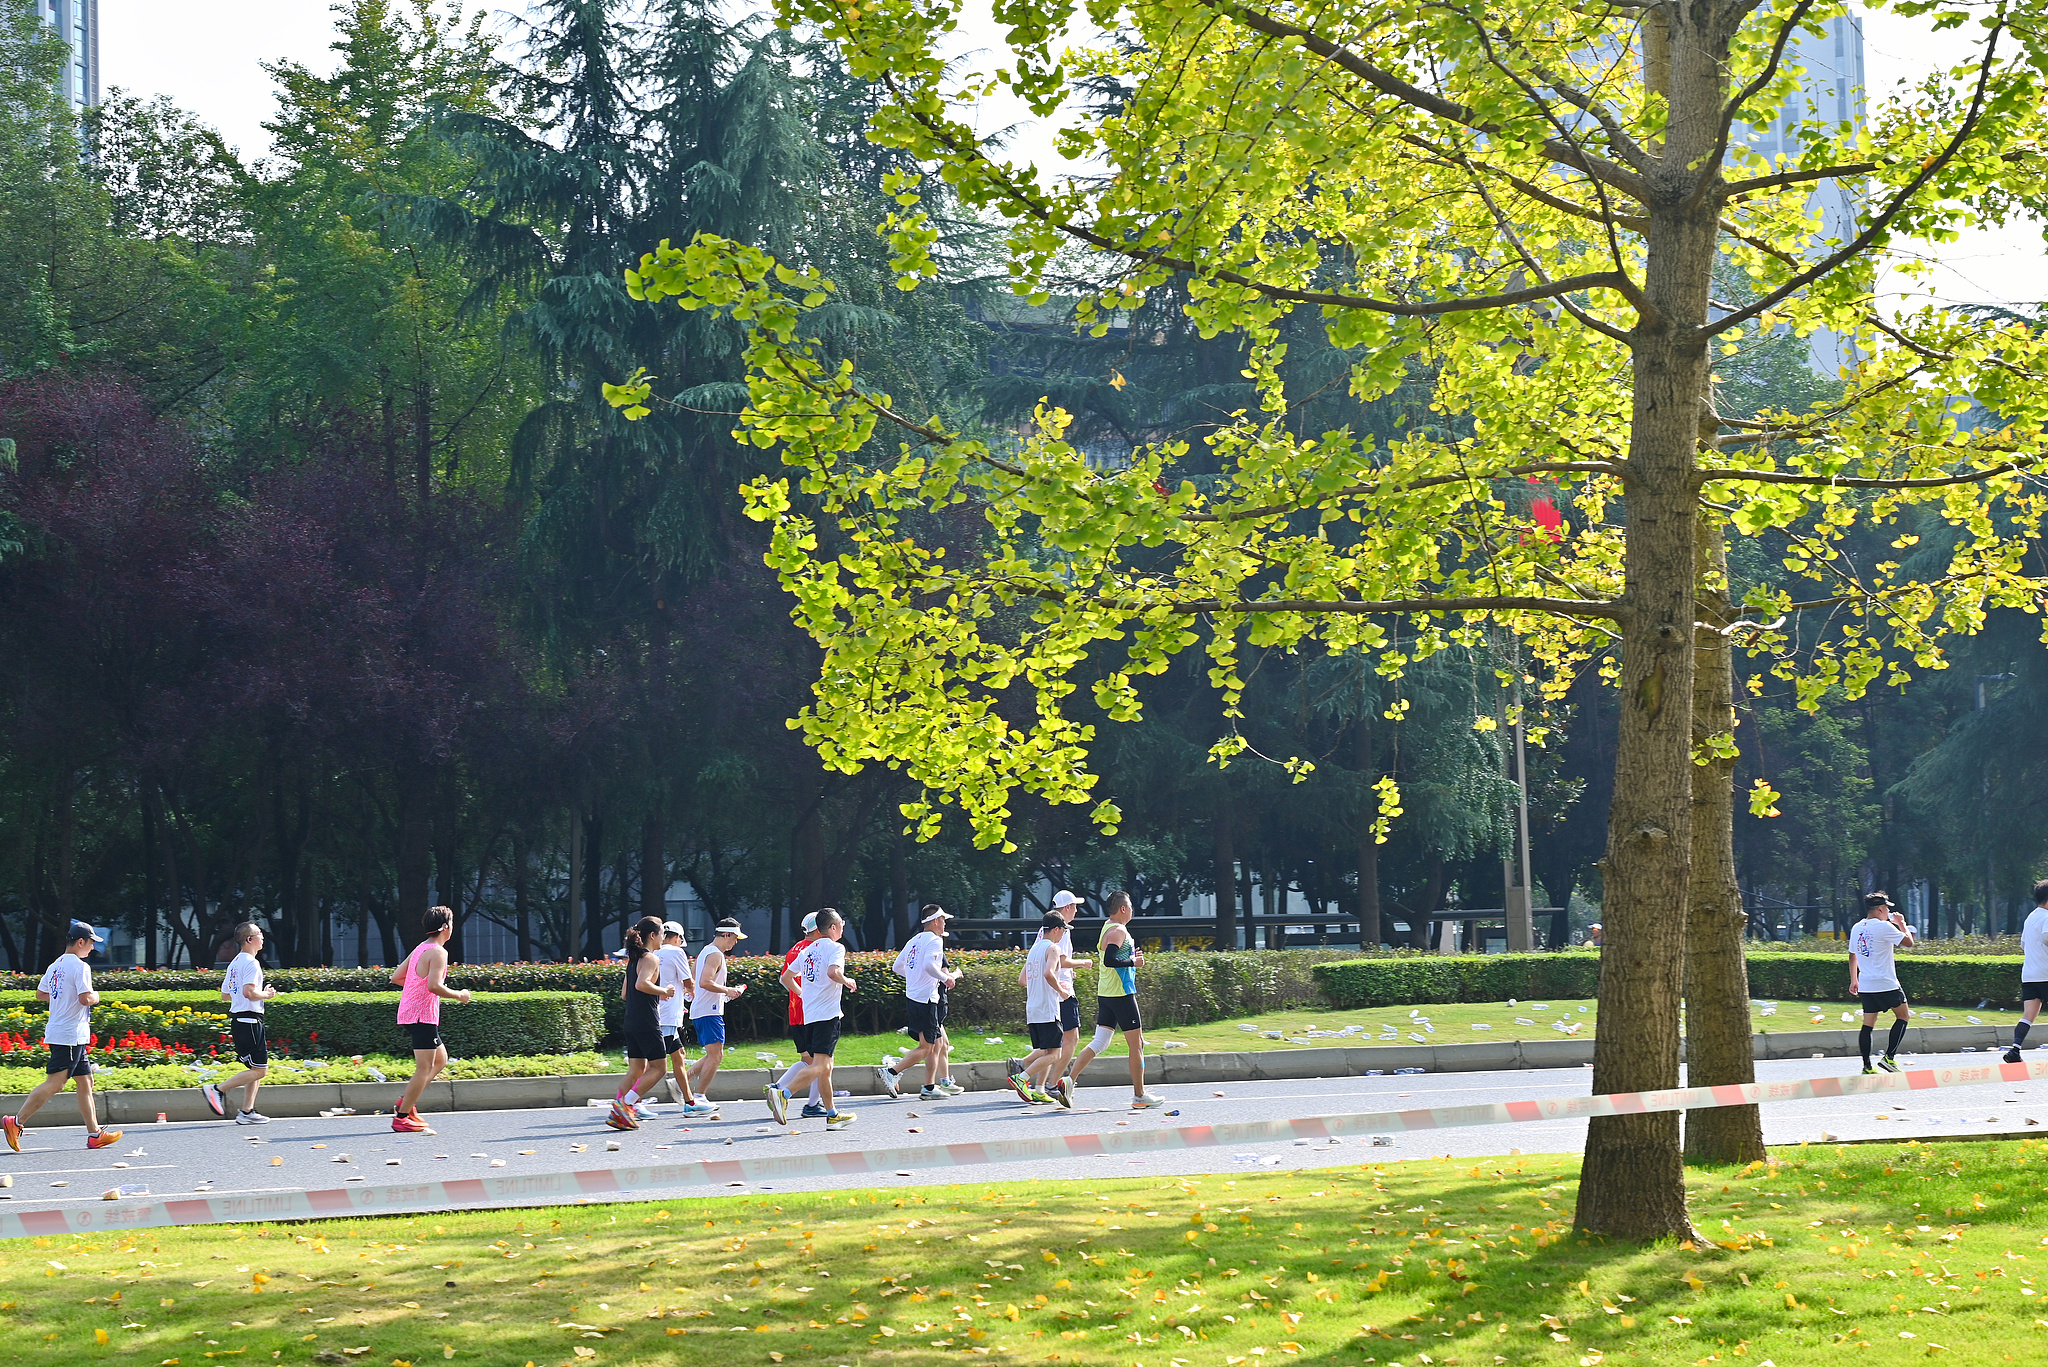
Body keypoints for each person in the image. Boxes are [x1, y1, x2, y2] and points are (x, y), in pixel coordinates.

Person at [4, 921, 121, 1152]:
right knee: (56, 1083)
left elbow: (41, 994)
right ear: (81, 942)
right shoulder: (80, 967)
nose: (93, 948)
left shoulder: (55, 965)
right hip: (70, 1034)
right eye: (91, 943)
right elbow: (86, 999)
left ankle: (95, 1134)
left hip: (67, 1033)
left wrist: (64, 997)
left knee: (86, 1081)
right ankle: (16, 1122)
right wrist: (96, 996)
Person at [1062, 890, 1165, 1109]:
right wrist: (1133, 962)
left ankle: (1069, 1081)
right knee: (1137, 1044)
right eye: (1131, 907)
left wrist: (1130, 957)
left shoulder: (1107, 927)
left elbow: (1113, 957)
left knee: (1100, 1042)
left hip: (1107, 993)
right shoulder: (1118, 930)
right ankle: (1139, 1096)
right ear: (1123, 909)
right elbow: (1110, 959)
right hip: (1121, 994)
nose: (1132, 911)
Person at [766, 907, 857, 1129]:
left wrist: (803, 995)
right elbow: (833, 972)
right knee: (820, 1066)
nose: (843, 927)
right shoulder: (836, 948)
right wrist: (847, 981)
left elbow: (786, 978)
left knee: (825, 1066)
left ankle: (832, 1114)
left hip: (810, 1016)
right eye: (841, 924)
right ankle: (783, 1094)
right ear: (833, 927)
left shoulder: (807, 951)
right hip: (828, 1015)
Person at [389, 905, 472, 1133]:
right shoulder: (438, 952)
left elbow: (396, 977)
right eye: (451, 924)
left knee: (440, 1060)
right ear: (445, 927)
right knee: (424, 1068)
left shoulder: (421, 948)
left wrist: (416, 988)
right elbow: (434, 986)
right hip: (421, 1016)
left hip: (412, 1013)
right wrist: (460, 995)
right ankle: (402, 1116)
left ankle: (406, 1101)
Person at [882, 905, 964, 1100]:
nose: (944, 923)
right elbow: (928, 965)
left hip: (914, 997)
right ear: (935, 921)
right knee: (927, 1047)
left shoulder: (914, 940)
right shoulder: (935, 940)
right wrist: (946, 978)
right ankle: (892, 1072)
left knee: (935, 1044)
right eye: (943, 920)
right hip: (927, 999)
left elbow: (897, 966)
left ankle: (929, 1087)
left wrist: (915, 977)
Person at [202, 921, 279, 1124]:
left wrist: (253, 994)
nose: (263, 937)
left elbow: (225, 995)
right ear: (250, 939)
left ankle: (247, 1112)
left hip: (240, 1020)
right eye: (259, 933)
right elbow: (249, 992)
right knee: (260, 1070)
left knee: (256, 1069)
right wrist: (267, 995)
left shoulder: (235, 962)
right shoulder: (251, 963)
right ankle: (217, 1090)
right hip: (250, 1020)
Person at [609, 915, 677, 1131]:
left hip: (631, 1020)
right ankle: (625, 1105)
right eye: (662, 934)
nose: (664, 938)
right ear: (653, 935)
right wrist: (664, 991)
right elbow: (641, 984)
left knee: (636, 1069)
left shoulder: (634, 960)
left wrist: (656, 993)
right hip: (647, 1021)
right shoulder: (650, 958)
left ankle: (617, 1112)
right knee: (659, 1068)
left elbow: (625, 993)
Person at [1010, 914, 1084, 1103]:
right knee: (1055, 1054)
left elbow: (1022, 980)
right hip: (1048, 1009)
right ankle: (1022, 1077)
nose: (1063, 935)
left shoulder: (1034, 949)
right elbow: (1049, 974)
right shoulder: (1053, 948)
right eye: (1063, 931)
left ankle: (1038, 1089)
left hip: (1033, 1009)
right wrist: (1061, 991)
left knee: (1045, 1051)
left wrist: (1041, 986)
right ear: (1056, 929)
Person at [1848, 891, 1915, 1075]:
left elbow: (1852, 955)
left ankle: (1867, 1066)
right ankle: (1889, 1058)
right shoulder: (1884, 927)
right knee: (1903, 1017)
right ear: (1879, 909)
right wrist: (1901, 923)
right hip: (1886, 983)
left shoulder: (1857, 927)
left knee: (1868, 1024)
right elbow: (1909, 943)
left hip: (1866, 984)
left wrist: (1854, 980)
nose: (1888, 912)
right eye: (1886, 908)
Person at [655, 921, 716, 1116]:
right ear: (677, 938)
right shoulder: (676, 952)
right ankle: (630, 1100)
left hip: (659, 1012)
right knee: (652, 1065)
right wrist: (693, 995)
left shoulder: (652, 952)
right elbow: (688, 982)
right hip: (668, 1016)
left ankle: (690, 1102)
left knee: (679, 1056)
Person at [775, 912, 830, 1117]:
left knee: (809, 1060)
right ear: (819, 930)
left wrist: (798, 995)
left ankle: (779, 1089)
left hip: (796, 1011)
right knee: (819, 1062)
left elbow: (784, 978)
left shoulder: (795, 948)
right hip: (811, 1012)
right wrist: (805, 995)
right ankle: (787, 1094)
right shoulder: (815, 949)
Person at [686, 919, 748, 1099]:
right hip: (709, 1011)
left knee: (713, 1054)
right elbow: (705, 982)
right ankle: (699, 1097)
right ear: (726, 935)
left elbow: (693, 979)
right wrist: (727, 990)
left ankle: (680, 1081)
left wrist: (721, 994)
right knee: (716, 1056)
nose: (735, 942)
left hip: (703, 1009)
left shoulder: (706, 951)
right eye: (735, 938)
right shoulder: (715, 955)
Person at [2005, 879, 2048, 1063]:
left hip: (2030, 975)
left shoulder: (2030, 917)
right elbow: (2047, 938)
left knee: (2028, 1015)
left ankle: (2015, 1050)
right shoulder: (2047, 917)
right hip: (2046, 973)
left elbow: (2023, 944)